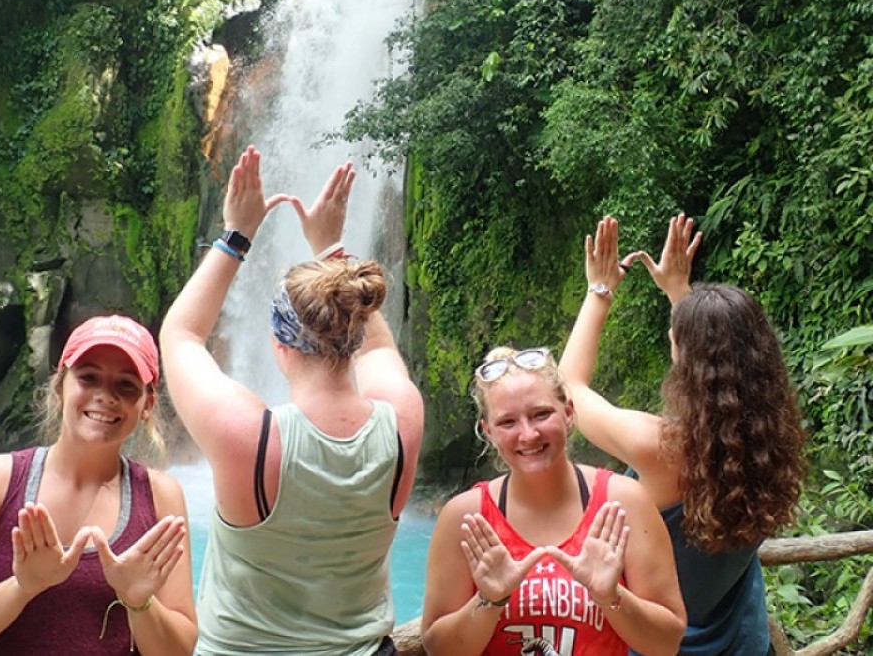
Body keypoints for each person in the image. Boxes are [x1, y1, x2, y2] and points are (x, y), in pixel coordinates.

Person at [160, 146, 426, 656]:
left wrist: (237, 235)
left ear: (278, 345)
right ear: (355, 333)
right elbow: (381, 347)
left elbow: (180, 335)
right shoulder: (401, 421)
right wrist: (331, 247)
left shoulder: (248, 439)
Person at [559, 215, 807, 654]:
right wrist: (680, 291)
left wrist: (600, 289)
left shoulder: (659, 447)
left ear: (682, 354)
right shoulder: (773, 439)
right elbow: (720, 360)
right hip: (742, 643)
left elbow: (569, 389)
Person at [0, 314, 197, 655]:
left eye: (126, 384)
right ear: (60, 387)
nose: (105, 395)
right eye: (88, 378)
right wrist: (23, 587)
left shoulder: (160, 496)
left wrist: (138, 601)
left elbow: (179, 650)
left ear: (147, 405)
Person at [421, 346, 686, 655]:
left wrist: (610, 596)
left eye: (541, 414)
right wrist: (489, 600)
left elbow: (667, 643)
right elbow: (440, 649)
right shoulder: (466, 518)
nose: (528, 434)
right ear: (488, 431)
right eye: (508, 422)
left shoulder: (623, 503)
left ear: (569, 413)